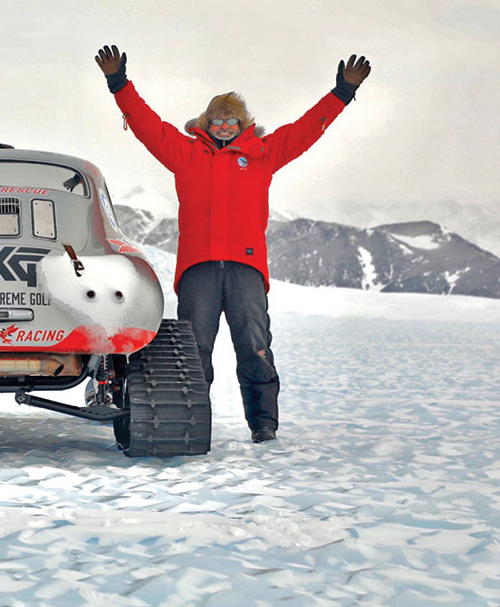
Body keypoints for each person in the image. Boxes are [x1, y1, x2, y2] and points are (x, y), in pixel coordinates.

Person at [95, 44, 370, 443]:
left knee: (255, 348)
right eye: (217, 119)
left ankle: (263, 426)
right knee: (193, 353)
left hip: (246, 270)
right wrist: (118, 82)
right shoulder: (186, 154)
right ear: (206, 123)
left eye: (232, 120)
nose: (224, 126)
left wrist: (342, 93)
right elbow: (147, 125)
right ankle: (189, 425)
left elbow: (307, 129)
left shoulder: (263, 154)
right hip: (199, 269)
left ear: (244, 124)